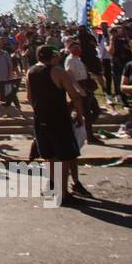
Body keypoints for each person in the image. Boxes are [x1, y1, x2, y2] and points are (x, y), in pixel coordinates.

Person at [27, 45, 89, 203]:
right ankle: (63, 193)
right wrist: (80, 115)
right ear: (52, 56)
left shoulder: (30, 72)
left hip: (40, 118)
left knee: (49, 156)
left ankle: (53, 188)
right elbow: (74, 96)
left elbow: (29, 97)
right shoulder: (58, 71)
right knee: (65, 155)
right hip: (58, 118)